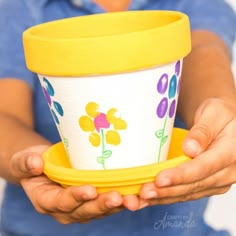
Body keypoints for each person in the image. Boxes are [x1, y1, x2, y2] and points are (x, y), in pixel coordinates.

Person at [0, 0, 236, 235]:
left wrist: (220, 113)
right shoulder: (24, 8)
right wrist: (35, 161)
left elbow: (204, 51)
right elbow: (5, 115)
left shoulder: (193, 4)